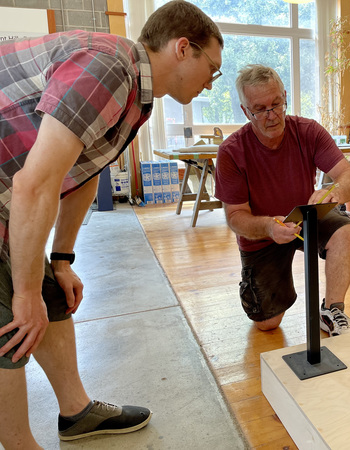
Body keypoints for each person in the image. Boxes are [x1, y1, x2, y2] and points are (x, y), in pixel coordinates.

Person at [0, 1, 223, 447]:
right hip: (11, 192)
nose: (210, 82)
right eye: (211, 69)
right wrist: (22, 294)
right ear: (183, 48)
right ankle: (19, 442)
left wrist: (61, 259)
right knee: (11, 319)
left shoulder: (138, 96)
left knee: (49, 295)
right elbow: (33, 185)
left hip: (8, 197)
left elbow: (83, 170)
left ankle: (76, 412)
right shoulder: (108, 67)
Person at [214, 64, 350, 337]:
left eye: (277, 104)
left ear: (284, 96)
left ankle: (331, 310)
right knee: (268, 324)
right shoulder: (231, 152)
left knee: (345, 232)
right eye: (260, 109)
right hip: (262, 234)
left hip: (304, 216)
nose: (271, 116)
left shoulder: (308, 131)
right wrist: (269, 227)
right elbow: (235, 218)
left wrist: (335, 192)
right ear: (246, 111)